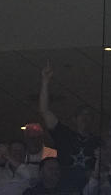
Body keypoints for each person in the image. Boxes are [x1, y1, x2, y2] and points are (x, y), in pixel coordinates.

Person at [38, 62, 101, 190]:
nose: (85, 118)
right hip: (64, 188)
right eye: (82, 115)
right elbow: (44, 111)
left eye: (89, 115)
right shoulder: (65, 135)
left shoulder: (98, 142)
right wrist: (45, 82)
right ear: (74, 119)